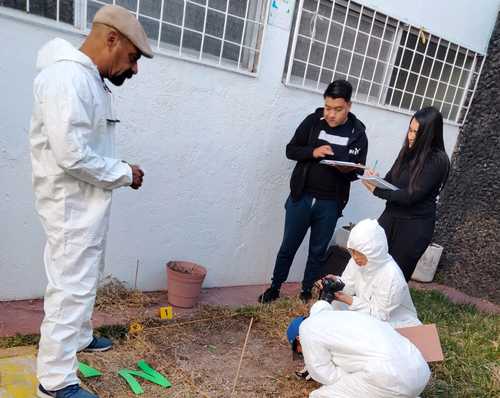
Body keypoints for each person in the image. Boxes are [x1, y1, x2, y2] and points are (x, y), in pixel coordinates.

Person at [30, 5, 153, 398]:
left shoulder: (89, 79)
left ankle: (79, 337)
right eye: (133, 58)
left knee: (84, 279)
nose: (134, 70)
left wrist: (118, 171)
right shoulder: (68, 78)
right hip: (71, 206)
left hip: (86, 203)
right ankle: (55, 381)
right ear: (111, 39)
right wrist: (123, 173)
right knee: (71, 288)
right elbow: (72, 155)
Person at [259, 80, 368, 304]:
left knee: (317, 252)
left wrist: (345, 168)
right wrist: (313, 151)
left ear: (349, 105)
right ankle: (274, 287)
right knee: (288, 246)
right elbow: (291, 150)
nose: (331, 114)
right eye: (328, 107)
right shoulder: (313, 122)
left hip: (330, 203)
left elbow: (357, 170)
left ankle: (307, 291)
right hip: (302, 197)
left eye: (337, 109)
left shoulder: (357, 133)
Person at [362, 107, 450, 281]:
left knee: (393, 279)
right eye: (410, 130)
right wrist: (376, 179)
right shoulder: (407, 151)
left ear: (429, 135)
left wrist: (377, 190)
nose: (410, 136)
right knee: (370, 267)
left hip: (414, 227)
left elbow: (411, 196)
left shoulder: (437, 160)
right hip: (390, 217)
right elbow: (390, 180)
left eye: (416, 133)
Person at [286, 300, 430, 398]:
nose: (303, 354)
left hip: (390, 376)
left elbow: (326, 375)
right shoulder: (341, 316)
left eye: (299, 350)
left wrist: (343, 377)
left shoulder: (308, 329)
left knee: (321, 395)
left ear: (298, 339)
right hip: (420, 371)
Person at [318, 219, 421, 329]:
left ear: (375, 251)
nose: (355, 257)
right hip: (367, 309)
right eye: (352, 251)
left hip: (392, 321)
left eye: (360, 253)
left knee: (367, 329)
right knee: (335, 304)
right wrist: (336, 283)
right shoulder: (357, 260)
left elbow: (380, 315)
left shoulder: (392, 277)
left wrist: (348, 299)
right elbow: (348, 286)